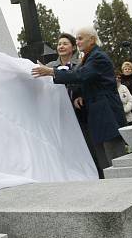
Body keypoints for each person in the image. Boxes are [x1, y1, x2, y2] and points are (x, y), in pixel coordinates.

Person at [32, 27, 126, 176]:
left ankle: (126, 185)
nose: (78, 41)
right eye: (77, 38)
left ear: (92, 40)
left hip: (107, 113)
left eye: (81, 38)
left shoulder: (98, 57)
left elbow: (81, 75)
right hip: (96, 113)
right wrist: (81, 95)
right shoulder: (89, 57)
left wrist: (51, 72)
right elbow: (88, 81)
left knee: (115, 157)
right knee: (104, 160)